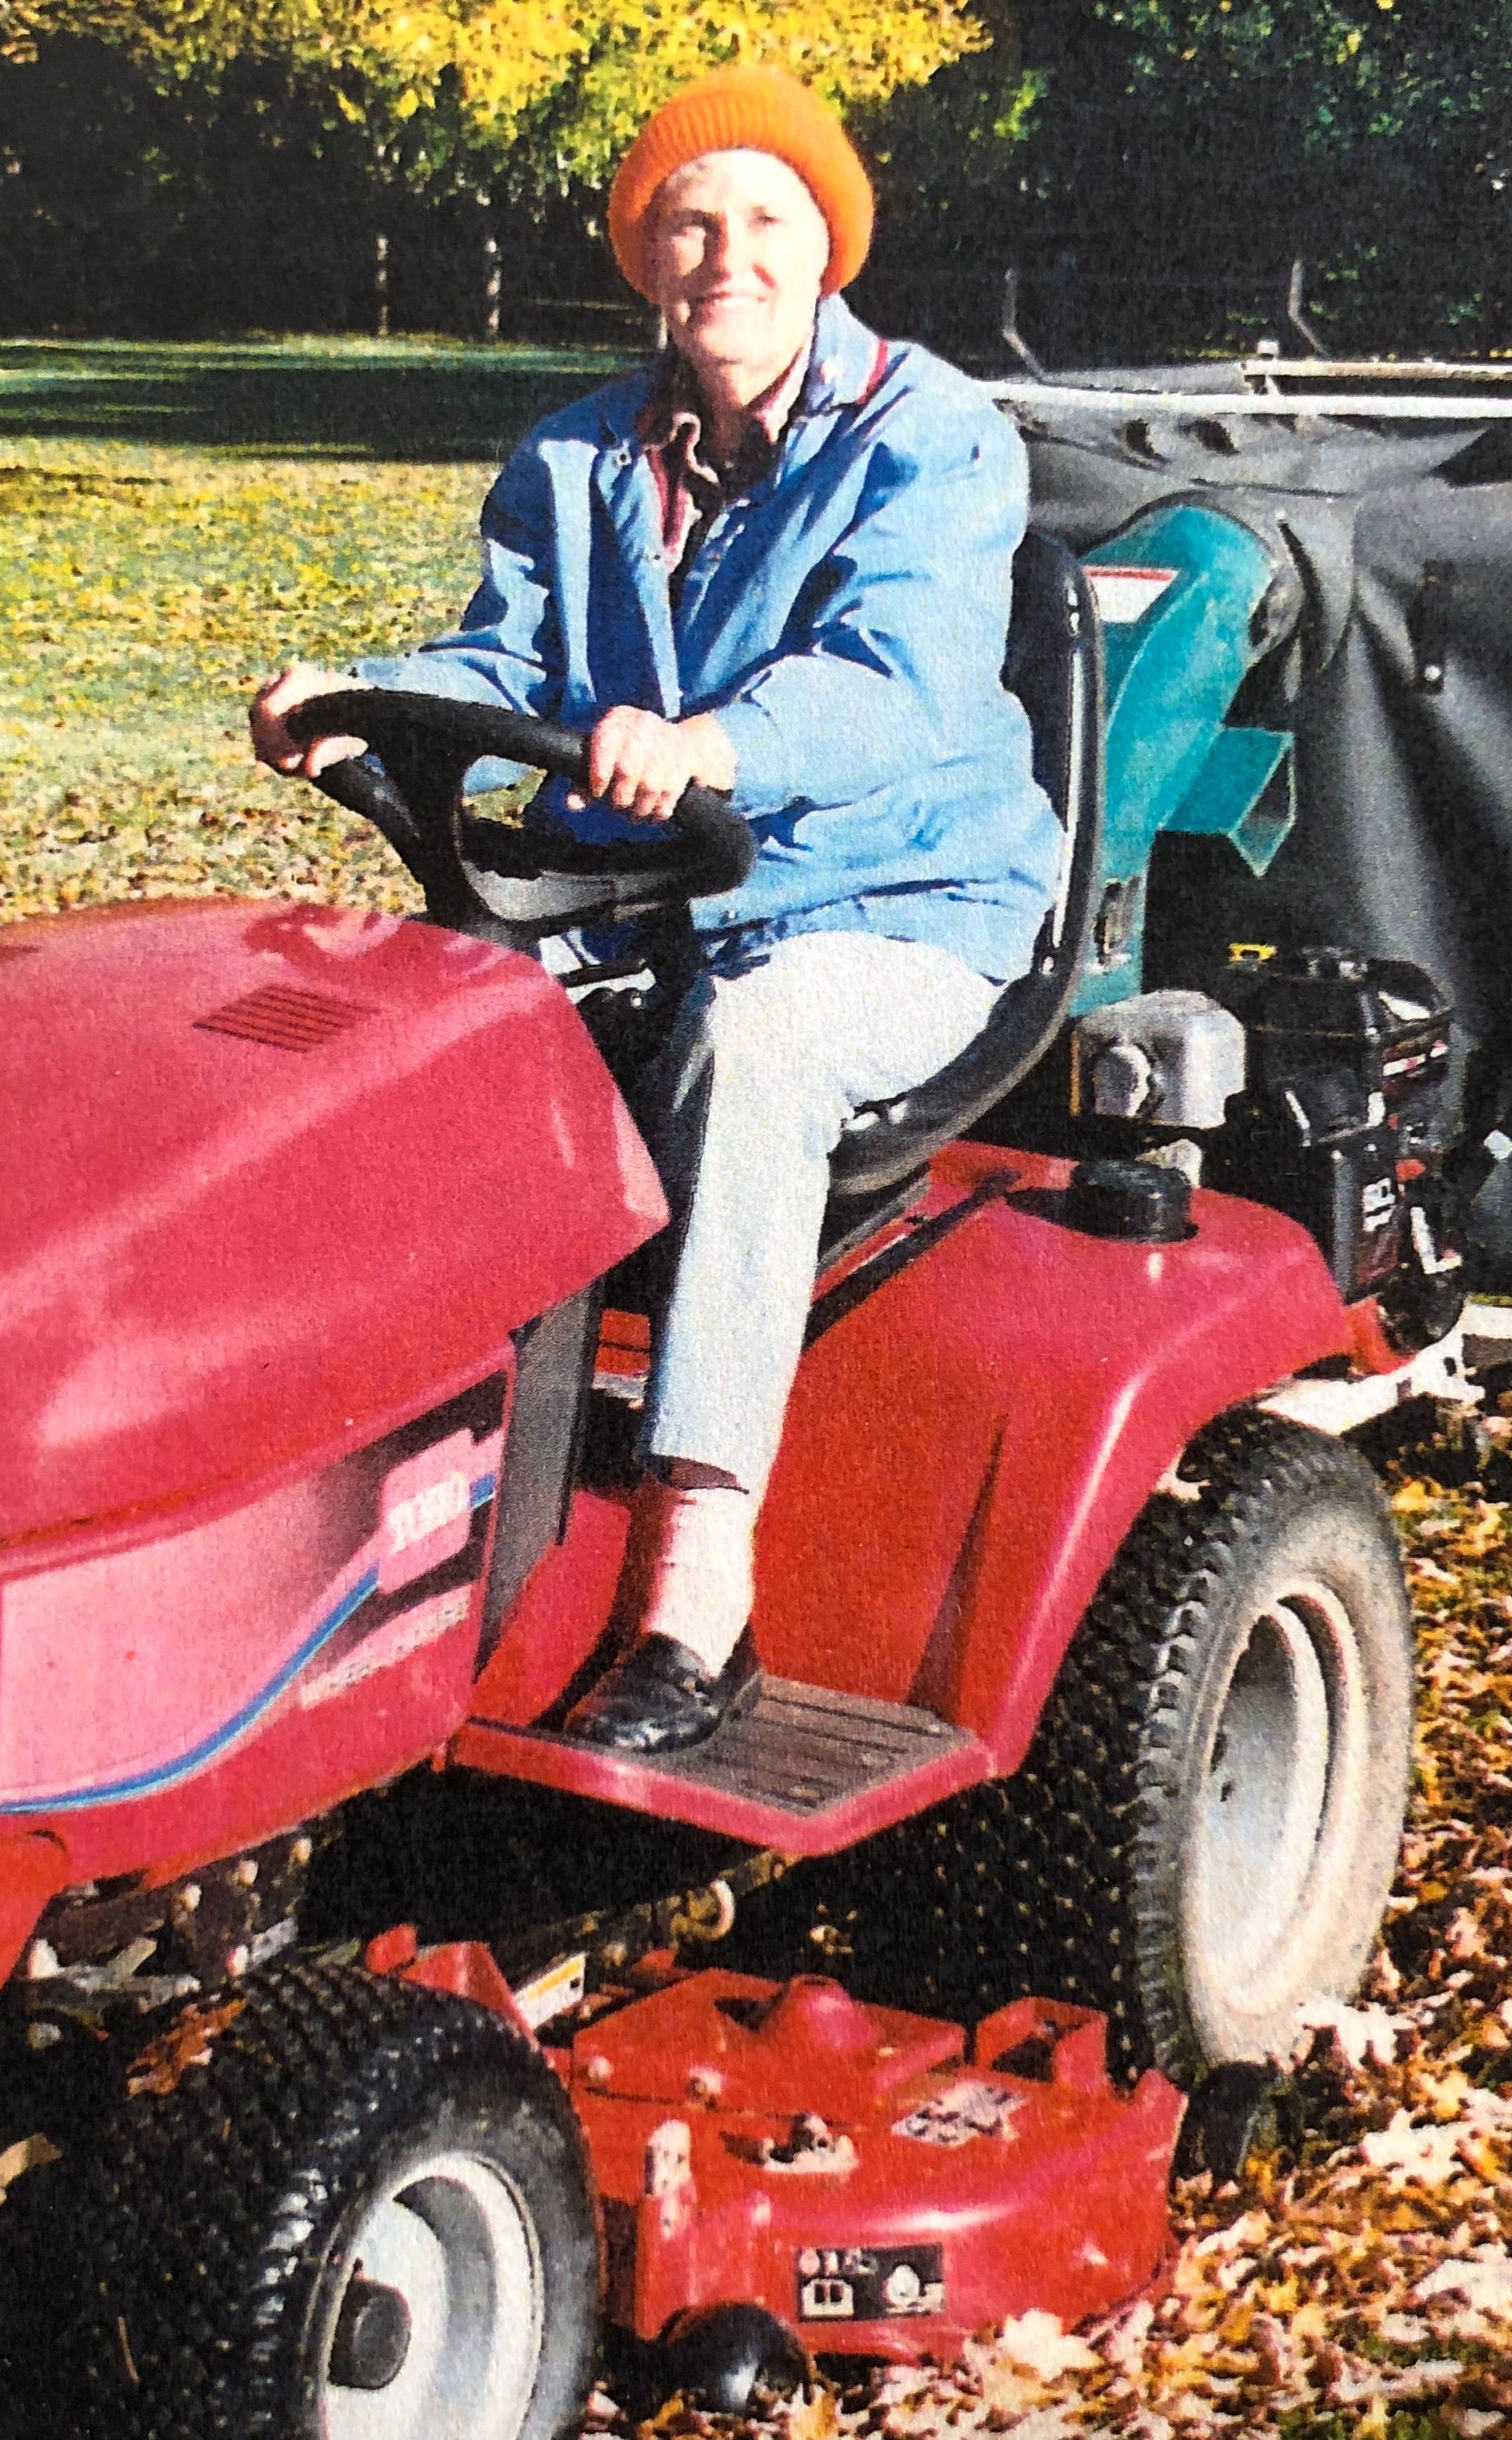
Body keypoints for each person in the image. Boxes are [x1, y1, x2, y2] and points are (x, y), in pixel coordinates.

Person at [251, 65, 1055, 1755]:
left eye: (765, 219)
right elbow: (507, 662)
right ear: (646, 259)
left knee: (756, 1045)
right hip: (648, 899)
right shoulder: (578, 456)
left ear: (826, 246)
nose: (726, 257)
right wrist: (359, 693)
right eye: (689, 223)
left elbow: (894, 686)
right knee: (398, 1019)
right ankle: (349, 1486)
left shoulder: (933, 438)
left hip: (898, 902)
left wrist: (706, 747)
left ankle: (697, 1584)